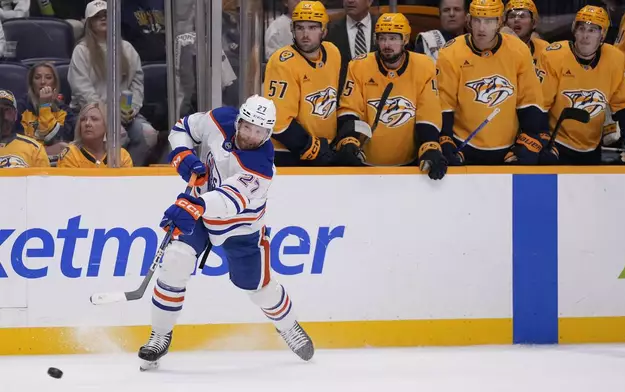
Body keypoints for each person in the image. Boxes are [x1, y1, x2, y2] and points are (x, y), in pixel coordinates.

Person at [137, 94, 314, 370]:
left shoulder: (261, 166)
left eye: (260, 132)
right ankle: (159, 335)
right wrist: (182, 155)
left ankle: (288, 325)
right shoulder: (219, 120)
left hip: (240, 228)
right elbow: (182, 128)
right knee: (175, 260)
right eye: (248, 127)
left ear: (268, 134)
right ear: (239, 121)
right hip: (200, 215)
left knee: (258, 289)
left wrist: (193, 205)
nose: (252, 136)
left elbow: (227, 201)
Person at [335, 13, 447, 179]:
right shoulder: (358, 66)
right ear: (376, 40)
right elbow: (349, 108)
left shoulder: (424, 66)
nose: (387, 44)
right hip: (364, 164)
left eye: (393, 38)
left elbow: (428, 112)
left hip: (408, 165)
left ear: (405, 39)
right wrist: (349, 140)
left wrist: (430, 145)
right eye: (382, 38)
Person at [436, 0, 546, 165]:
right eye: (477, 20)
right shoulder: (450, 52)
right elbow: (445, 102)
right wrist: (444, 138)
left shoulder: (518, 50)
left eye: (489, 21)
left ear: (500, 21)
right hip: (463, 146)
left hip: (507, 148)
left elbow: (529, 100)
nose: (482, 28)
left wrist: (530, 137)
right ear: (468, 21)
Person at [537, 5, 625, 165]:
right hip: (557, 145)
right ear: (574, 31)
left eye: (592, 30)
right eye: (581, 29)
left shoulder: (615, 58)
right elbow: (539, 105)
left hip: (593, 146)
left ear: (602, 35)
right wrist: (541, 137)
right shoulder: (553, 56)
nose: (585, 35)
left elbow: (624, 103)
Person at [68, 0, 158, 166]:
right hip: (90, 114)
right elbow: (83, 91)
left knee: (149, 134)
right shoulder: (81, 51)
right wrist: (105, 115)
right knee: (118, 135)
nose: (103, 19)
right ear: (89, 23)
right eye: (97, 17)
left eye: (107, 16)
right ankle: (107, 174)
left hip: (123, 114)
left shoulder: (127, 48)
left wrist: (133, 109)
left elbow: (137, 83)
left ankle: (129, 171)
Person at [263, 1, 342, 166]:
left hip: (324, 149)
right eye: (300, 28)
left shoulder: (333, 53)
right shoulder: (282, 62)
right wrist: (314, 148)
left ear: (324, 30)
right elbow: (279, 123)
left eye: (312, 28)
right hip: (288, 153)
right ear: (293, 30)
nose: (305, 34)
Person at [16, 62, 76, 157]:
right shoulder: (20, 108)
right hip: (26, 160)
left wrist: (44, 106)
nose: (43, 82)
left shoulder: (64, 112)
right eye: (37, 77)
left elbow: (55, 139)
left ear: (55, 84)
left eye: (48, 77)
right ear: (31, 83)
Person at [57, 102, 133, 168]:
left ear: (106, 125)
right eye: (83, 119)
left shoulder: (121, 156)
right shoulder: (71, 154)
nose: (87, 123)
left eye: (94, 119)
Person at [0, 89, 50, 168]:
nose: (2, 116)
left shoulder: (34, 148)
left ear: (15, 114)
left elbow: (42, 179)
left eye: (7, 110)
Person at [503, 0, 549, 67]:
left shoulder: (544, 48)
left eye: (522, 16)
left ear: (534, 23)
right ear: (505, 23)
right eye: (512, 16)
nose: (516, 19)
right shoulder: (496, 49)